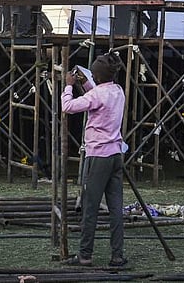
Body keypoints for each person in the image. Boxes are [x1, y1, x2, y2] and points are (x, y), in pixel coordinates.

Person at [62, 52, 127, 267]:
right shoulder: (118, 91)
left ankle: (85, 254)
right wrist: (85, 83)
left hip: (98, 156)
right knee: (116, 208)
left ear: (96, 76)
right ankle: (117, 255)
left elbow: (68, 107)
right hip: (116, 154)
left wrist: (69, 86)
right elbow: (97, 96)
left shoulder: (97, 94)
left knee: (90, 207)